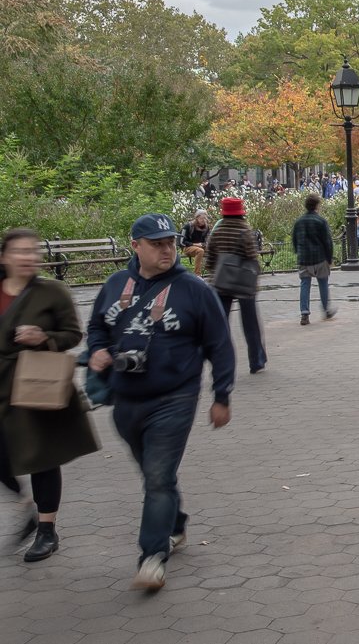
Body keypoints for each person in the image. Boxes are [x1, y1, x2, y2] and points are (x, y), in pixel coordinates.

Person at [87, 214, 235, 591]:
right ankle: (175, 523)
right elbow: (96, 328)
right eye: (156, 243)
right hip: (126, 400)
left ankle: (152, 557)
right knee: (156, 476)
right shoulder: (116, 284)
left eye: (170, 241)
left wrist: (222, 395)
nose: (167, 248)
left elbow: (219, 344)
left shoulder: (193, 290)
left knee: (157, 477)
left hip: (175, 397)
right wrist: (99, 350)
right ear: (136, 246)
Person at [0, 228, 100, 563]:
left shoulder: (52, 292)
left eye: (32, 251)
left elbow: (73, 334)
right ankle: (26, 507)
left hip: (34, 382)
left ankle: (46, 529)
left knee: (44, 457)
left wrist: (43, 337)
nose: (27, 257)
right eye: (19, 251)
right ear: (4, 256)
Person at [205, 197, 266, 375]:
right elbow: (252, 256)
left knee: (221, 325)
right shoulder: (244, 230)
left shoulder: (217, 230)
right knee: (250, 323)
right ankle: (256, 361)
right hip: (244, 283)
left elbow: (210, 259)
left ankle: (222, 362)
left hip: (221, 282)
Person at [291, 194, 335, 325]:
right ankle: (326, 310)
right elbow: (327, 241)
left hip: (304, 258)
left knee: (305, 285)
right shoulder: (321, 221)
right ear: (317, 205)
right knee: (323, 284)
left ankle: (304, 313)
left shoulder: (299, 221)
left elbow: (295, 239)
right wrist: (329, 257)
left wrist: (298, 252)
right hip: (320, 257)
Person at [178, 211, 210, 276]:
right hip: (187, 247)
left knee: (214, 250)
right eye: (202, 218)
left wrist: (203, 244)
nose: (203, 220)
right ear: (197, 218)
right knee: (200, 251)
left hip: (200, 247)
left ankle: (213, 273)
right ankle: (197, 275)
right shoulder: (188, 226)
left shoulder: (206, 228)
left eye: (205, 218)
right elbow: (181, 242)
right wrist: (194, 244)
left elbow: (207, 241)